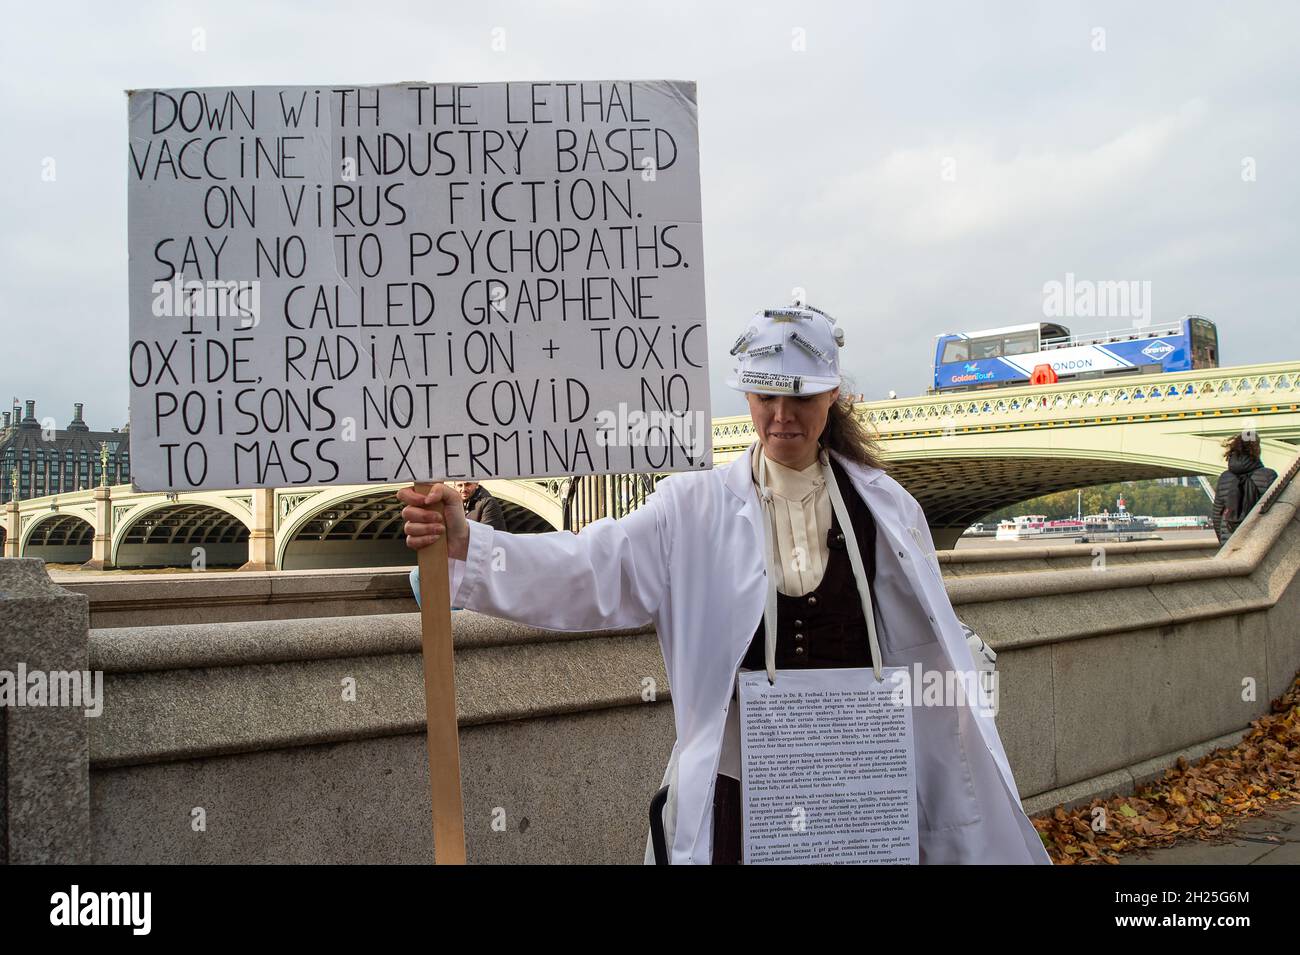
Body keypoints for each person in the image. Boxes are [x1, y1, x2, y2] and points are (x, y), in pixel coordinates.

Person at [400, 304, 1049, 865]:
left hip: (865, 795)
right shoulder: (694, 508)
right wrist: (468, 546)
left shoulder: (889, 509)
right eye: (765, 394)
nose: (780, 413)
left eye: (799, 394)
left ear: (832, 396)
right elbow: (590, 569)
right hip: (747, 802)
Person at [1211, 433, 1277, 545]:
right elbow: (1276, 513)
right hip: (1258, 539)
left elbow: (1217, 514)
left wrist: (1223, 541)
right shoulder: (1268, 476)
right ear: (1257, 449)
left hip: (1230, 538)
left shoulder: (1224, 478)